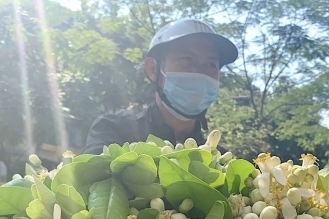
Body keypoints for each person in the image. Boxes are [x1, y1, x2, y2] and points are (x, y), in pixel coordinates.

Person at [81, 19, 238, 154]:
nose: (200, 72)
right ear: (153, 70)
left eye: (211, 64)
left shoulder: (221, 161)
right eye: (187, 59)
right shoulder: (114, 131)